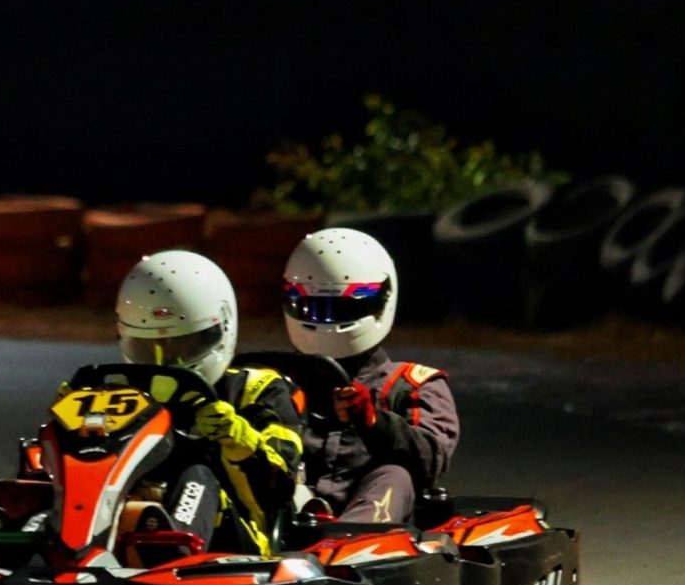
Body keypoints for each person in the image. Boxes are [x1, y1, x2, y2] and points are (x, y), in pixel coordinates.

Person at [107, 249, 306, 555]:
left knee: (196, 474)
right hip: (132, 512)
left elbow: (278, 489)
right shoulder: (123, 393)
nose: (166, 361)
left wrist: (238, 438)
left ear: (221, 329)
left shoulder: (258, 388)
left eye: (183, 345)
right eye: (149, 347)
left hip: (238, 539)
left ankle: (171, 552)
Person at [281, 226, 459, 526]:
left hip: (372, 523)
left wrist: (375, 422)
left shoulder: (412, 385)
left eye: (341, 309)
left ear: (380, 302)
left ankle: (347, 539)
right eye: (314, 309)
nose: (327, 321)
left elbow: (431, 462)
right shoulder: (277, 382)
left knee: (395, 473)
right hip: (287, 514)